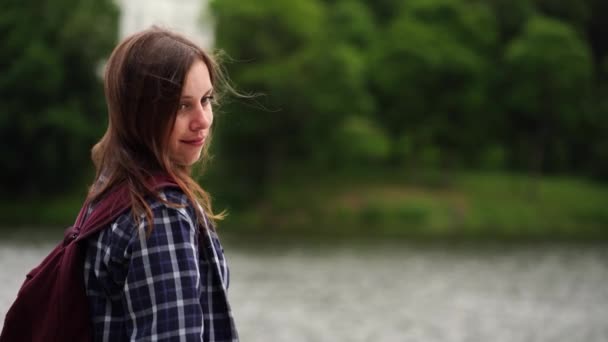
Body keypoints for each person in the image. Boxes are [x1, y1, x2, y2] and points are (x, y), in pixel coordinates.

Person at [82, 27, 238, 341]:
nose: (203, 120)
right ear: (142, 113)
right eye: (182, 106)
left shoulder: (109, 190)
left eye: (206, 100)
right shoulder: (160, 216)